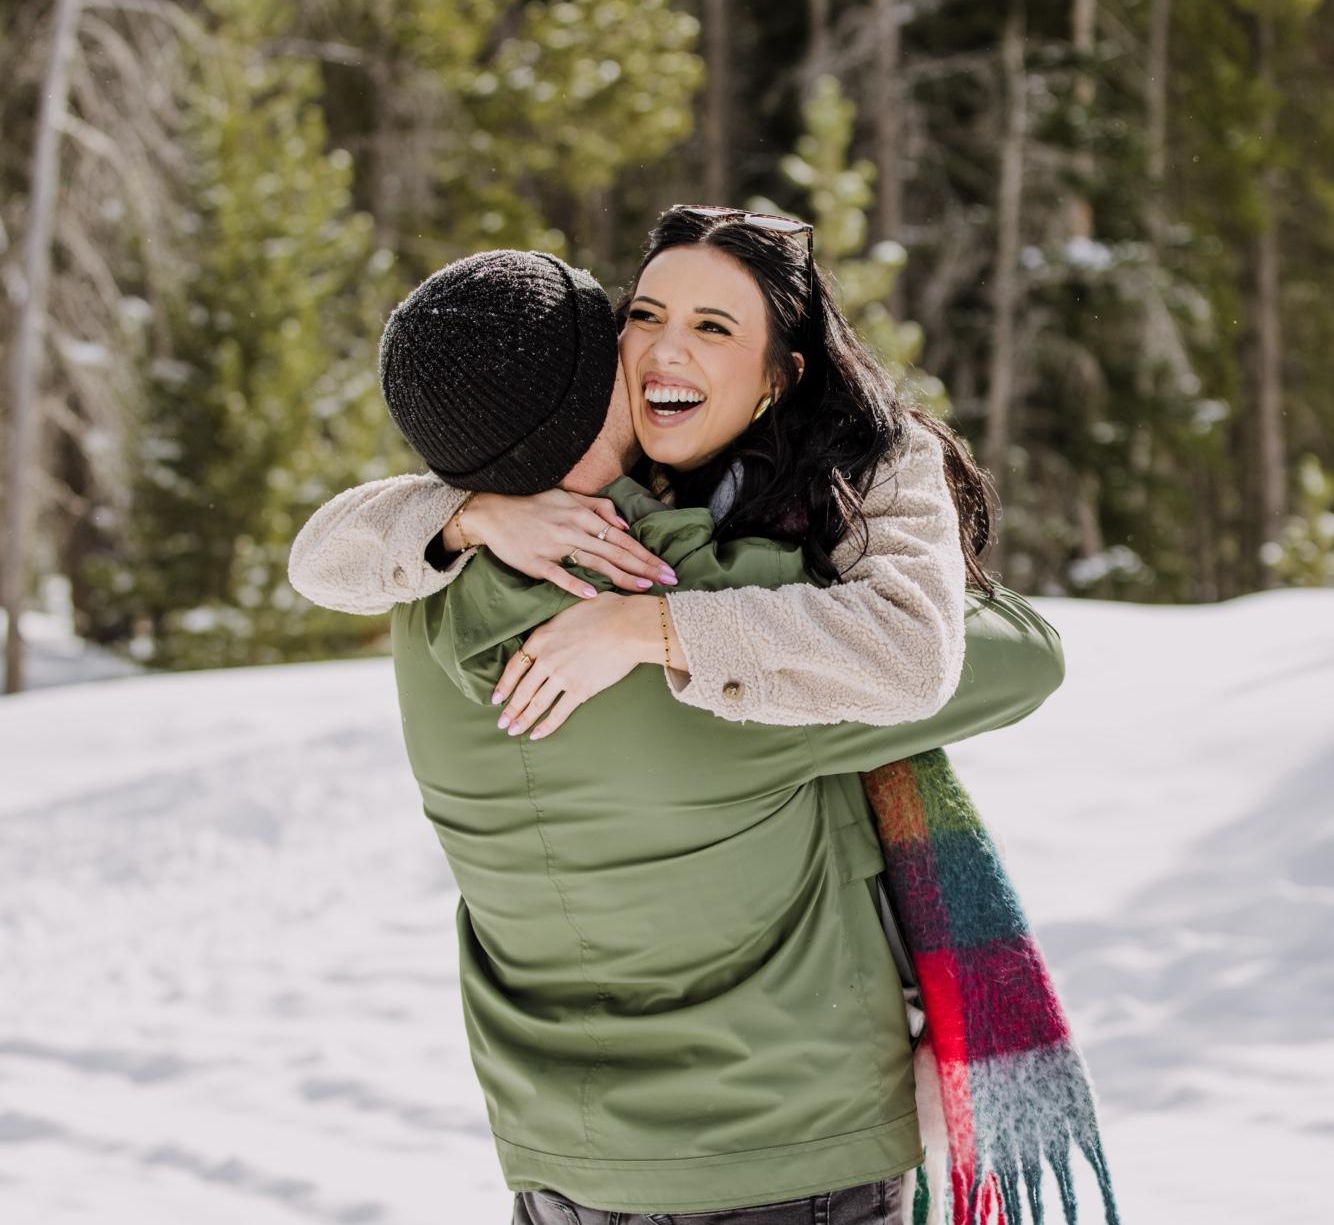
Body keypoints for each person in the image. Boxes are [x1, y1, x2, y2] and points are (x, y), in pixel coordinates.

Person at [286, 242, 1066, 1221]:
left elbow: (322, 551)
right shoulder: (704, 598)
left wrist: (468, 511)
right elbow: (1013, 652)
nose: (655, 352)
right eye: (628, 327)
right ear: (591, 385)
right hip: (784, 1157)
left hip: (563, 1169)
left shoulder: (423, 593)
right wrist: (887, 445)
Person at [288, 205, 994, 743]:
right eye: (648, 316)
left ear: (780, 375)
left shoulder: (876, 461)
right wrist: (472, 516)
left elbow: (913, 654)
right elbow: (319, 562)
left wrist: (644, 627)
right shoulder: (601, 447)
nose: (665, 352)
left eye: (712, 328)